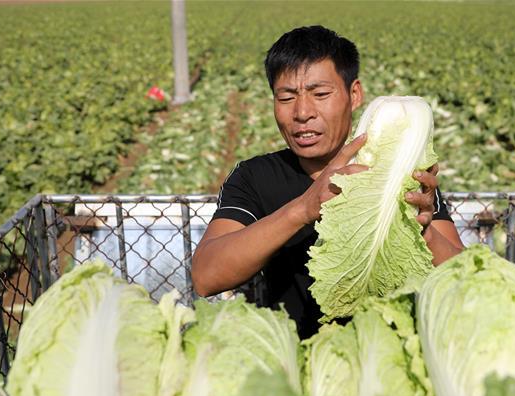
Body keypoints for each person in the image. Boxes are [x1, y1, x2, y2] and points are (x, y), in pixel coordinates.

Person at [192, 25, 463, 338]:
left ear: (354, 94)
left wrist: (423, 232)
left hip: (390, 358)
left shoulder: (399, 176)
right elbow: (206, 276)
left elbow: (462, 279)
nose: (303, 112)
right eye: (286, 97)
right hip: (297, 362)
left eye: (320, 94)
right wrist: (303, 209)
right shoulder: (255, 176)